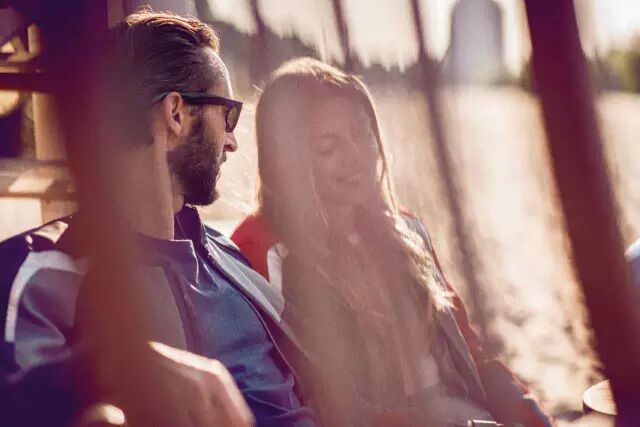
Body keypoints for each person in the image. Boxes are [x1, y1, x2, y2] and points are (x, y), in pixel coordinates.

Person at [0, 11, 317, 427]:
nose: (232, 142)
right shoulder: (44, 269)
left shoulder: (230, 260)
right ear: (176, 114)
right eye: (228, 116)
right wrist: (113, 369)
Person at [232, 57, 554, 427]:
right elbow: (309, 404)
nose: (356, 156)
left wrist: (524, 409)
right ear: (286, 162)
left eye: (362, 134)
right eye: (328, 148)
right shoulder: (263, 254)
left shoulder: (407, 229)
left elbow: (469, 351)